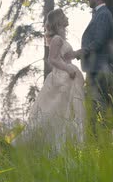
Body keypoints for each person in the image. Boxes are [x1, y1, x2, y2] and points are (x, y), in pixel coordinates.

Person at [11, 8, 85, 151]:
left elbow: (67, 56)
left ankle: (63, 146)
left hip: (67, 77)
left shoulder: (61, 38)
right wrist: (68, 68)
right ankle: (48, 146)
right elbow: (52, 59)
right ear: (58, 21)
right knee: (55, 112)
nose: (66, 17)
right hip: (61, 78)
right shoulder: (56, 39)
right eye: (64, 15)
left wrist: (79, 52)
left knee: (66, 112)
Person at [67, 0, 113, 126]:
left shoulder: (104, 14)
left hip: (99, 68)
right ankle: (95, 137)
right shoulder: (100, 14)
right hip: (95, 68)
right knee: (93, 103)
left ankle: (103, 138)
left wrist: (80, 52)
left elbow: (99, 41)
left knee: (99, 102)